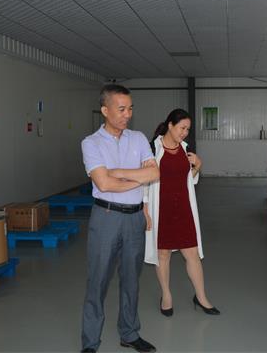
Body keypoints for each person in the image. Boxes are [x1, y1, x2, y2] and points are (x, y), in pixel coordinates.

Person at [80, 84, 160, 353]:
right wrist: (137, 178)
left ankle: (129, 333)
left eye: (130, 109)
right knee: (98, 281)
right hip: (106, 217)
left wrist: (119, 173)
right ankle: (90, 342)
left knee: (131, 280)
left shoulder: (138, 138)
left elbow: (155, 174)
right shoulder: (91, 143)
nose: (128, 114)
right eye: (122, 109)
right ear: (105, 110)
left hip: (135, 219)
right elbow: (103, 184)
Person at [144, 109, 220, 317]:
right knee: (163, 254)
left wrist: (198, 166)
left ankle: (201, 297)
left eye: (187, 129)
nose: (185, 133)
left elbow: (189, 180)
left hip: (184, 208)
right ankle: (166, 296)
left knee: (192, 253)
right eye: (182, 128)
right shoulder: (153, 149)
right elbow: (144, 182)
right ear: (170, 125)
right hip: (161, 209)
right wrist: (145, 209)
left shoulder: (186, 149)